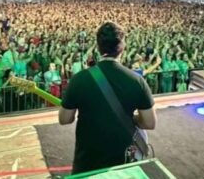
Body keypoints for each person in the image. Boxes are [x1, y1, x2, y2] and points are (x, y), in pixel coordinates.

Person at [59, 22, 157, 174]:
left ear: (98, 47)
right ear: (122, 48)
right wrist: (132, 118)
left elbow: (65, 119)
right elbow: (149, 123)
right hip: (123, 159)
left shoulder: (79, 79)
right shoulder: (136, 80)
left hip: (88, 158)